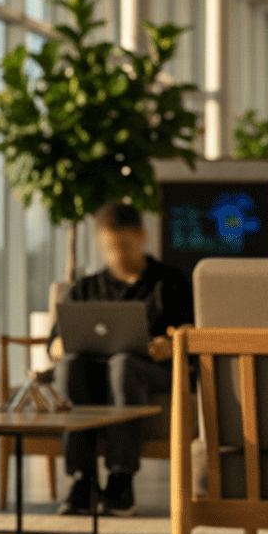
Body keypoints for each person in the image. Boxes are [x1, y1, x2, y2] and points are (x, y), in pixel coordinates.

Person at [51, 201, 194, 517]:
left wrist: (172, 345)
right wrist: (58, 346)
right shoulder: (85, 288)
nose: (117, 255)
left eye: (124, 246)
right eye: (109, 248)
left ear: (141, 236)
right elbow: (55, 341)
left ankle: (120, 479)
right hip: (93, 375)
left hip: (153, 370)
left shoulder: (170, 283)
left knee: (123, 364)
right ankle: (82, 479)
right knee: (70, 365)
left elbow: (191, 333)